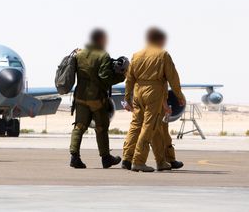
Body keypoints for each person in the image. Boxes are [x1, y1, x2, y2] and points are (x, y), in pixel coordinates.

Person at [123, 27, 185, 172]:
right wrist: (179, 96)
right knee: (150, 126)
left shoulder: (136, 55)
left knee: (138, 125)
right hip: (154, 92)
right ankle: (138, 161)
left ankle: (154, 161)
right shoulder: (162, 55)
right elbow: (173, 78)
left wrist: (127, 98)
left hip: (138, 92)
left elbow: (129, 79)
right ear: (160, 40)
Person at [69, 29, 124, 169]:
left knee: (79, 126)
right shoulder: (103, 55)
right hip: (96, 98)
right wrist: (121, 76)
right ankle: (106, 158)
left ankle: (74, 157)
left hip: (80, 97)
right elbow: (105, 78)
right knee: (101, 127)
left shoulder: (79, 54)